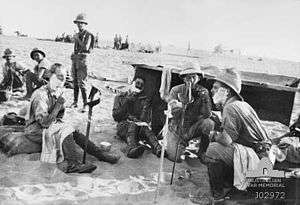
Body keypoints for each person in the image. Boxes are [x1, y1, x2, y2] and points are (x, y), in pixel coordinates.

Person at [24, 63, 120, 173]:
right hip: (34, 129)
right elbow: (44, 123)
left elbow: (59, 116)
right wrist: (58, 106)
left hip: (49, 124)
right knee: (65, 131)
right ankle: (72, 164)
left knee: (74, 131)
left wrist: (61, 117)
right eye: (59, 76)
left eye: (64, 78)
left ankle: (101, 155)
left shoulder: (56, 91)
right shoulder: (41, 95)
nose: (61, 80)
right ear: (50, 75)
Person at [205, 68, 271, 200]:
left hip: (258, 160)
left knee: (213, 149)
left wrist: (212, 134)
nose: (212, 91)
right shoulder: (242, 104)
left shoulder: (230, 107)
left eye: (215, 87)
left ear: (227, 91)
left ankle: (217, 194)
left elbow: (226, 140)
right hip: (264, 154)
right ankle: (228, 183)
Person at [166, 63, 215, 161]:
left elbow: (207, 114)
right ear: (184, 79)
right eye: (188, 78)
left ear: (198, 79)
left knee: (209, 123)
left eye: (194, 77)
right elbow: (174, 112)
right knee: (175, 158)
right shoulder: (176, 90)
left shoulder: (203, 91)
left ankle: (202, 152)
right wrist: (184, 102)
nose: (191, 80)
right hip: (177, 128)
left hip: (193, 127)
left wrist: (204, 98)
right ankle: (180, 144)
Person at [112, 77, 163, 158]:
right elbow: (116, 116)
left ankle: (158, 149)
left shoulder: (142, 99)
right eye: (137, 83)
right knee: (132, 125)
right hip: (123, 126)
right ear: (132, 83)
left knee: (145, 127)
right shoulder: (120, 97)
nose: (139, 86)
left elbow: (142, 119)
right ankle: (131, 149)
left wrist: (141, 118)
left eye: (141, 85)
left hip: (137, 127)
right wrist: (127, 101)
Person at [70, 13, 94, 112]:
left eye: (81, 23)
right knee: (75, 82)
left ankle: (85, 104)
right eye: (78, 23)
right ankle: (75, 102)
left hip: (83, 61)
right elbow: (77, 48)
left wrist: (77, 39)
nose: (79, 25)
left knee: (82, 83)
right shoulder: (78, 34)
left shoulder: (88, 35)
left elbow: (85, 48)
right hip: (75, 59)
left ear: (85, 24)